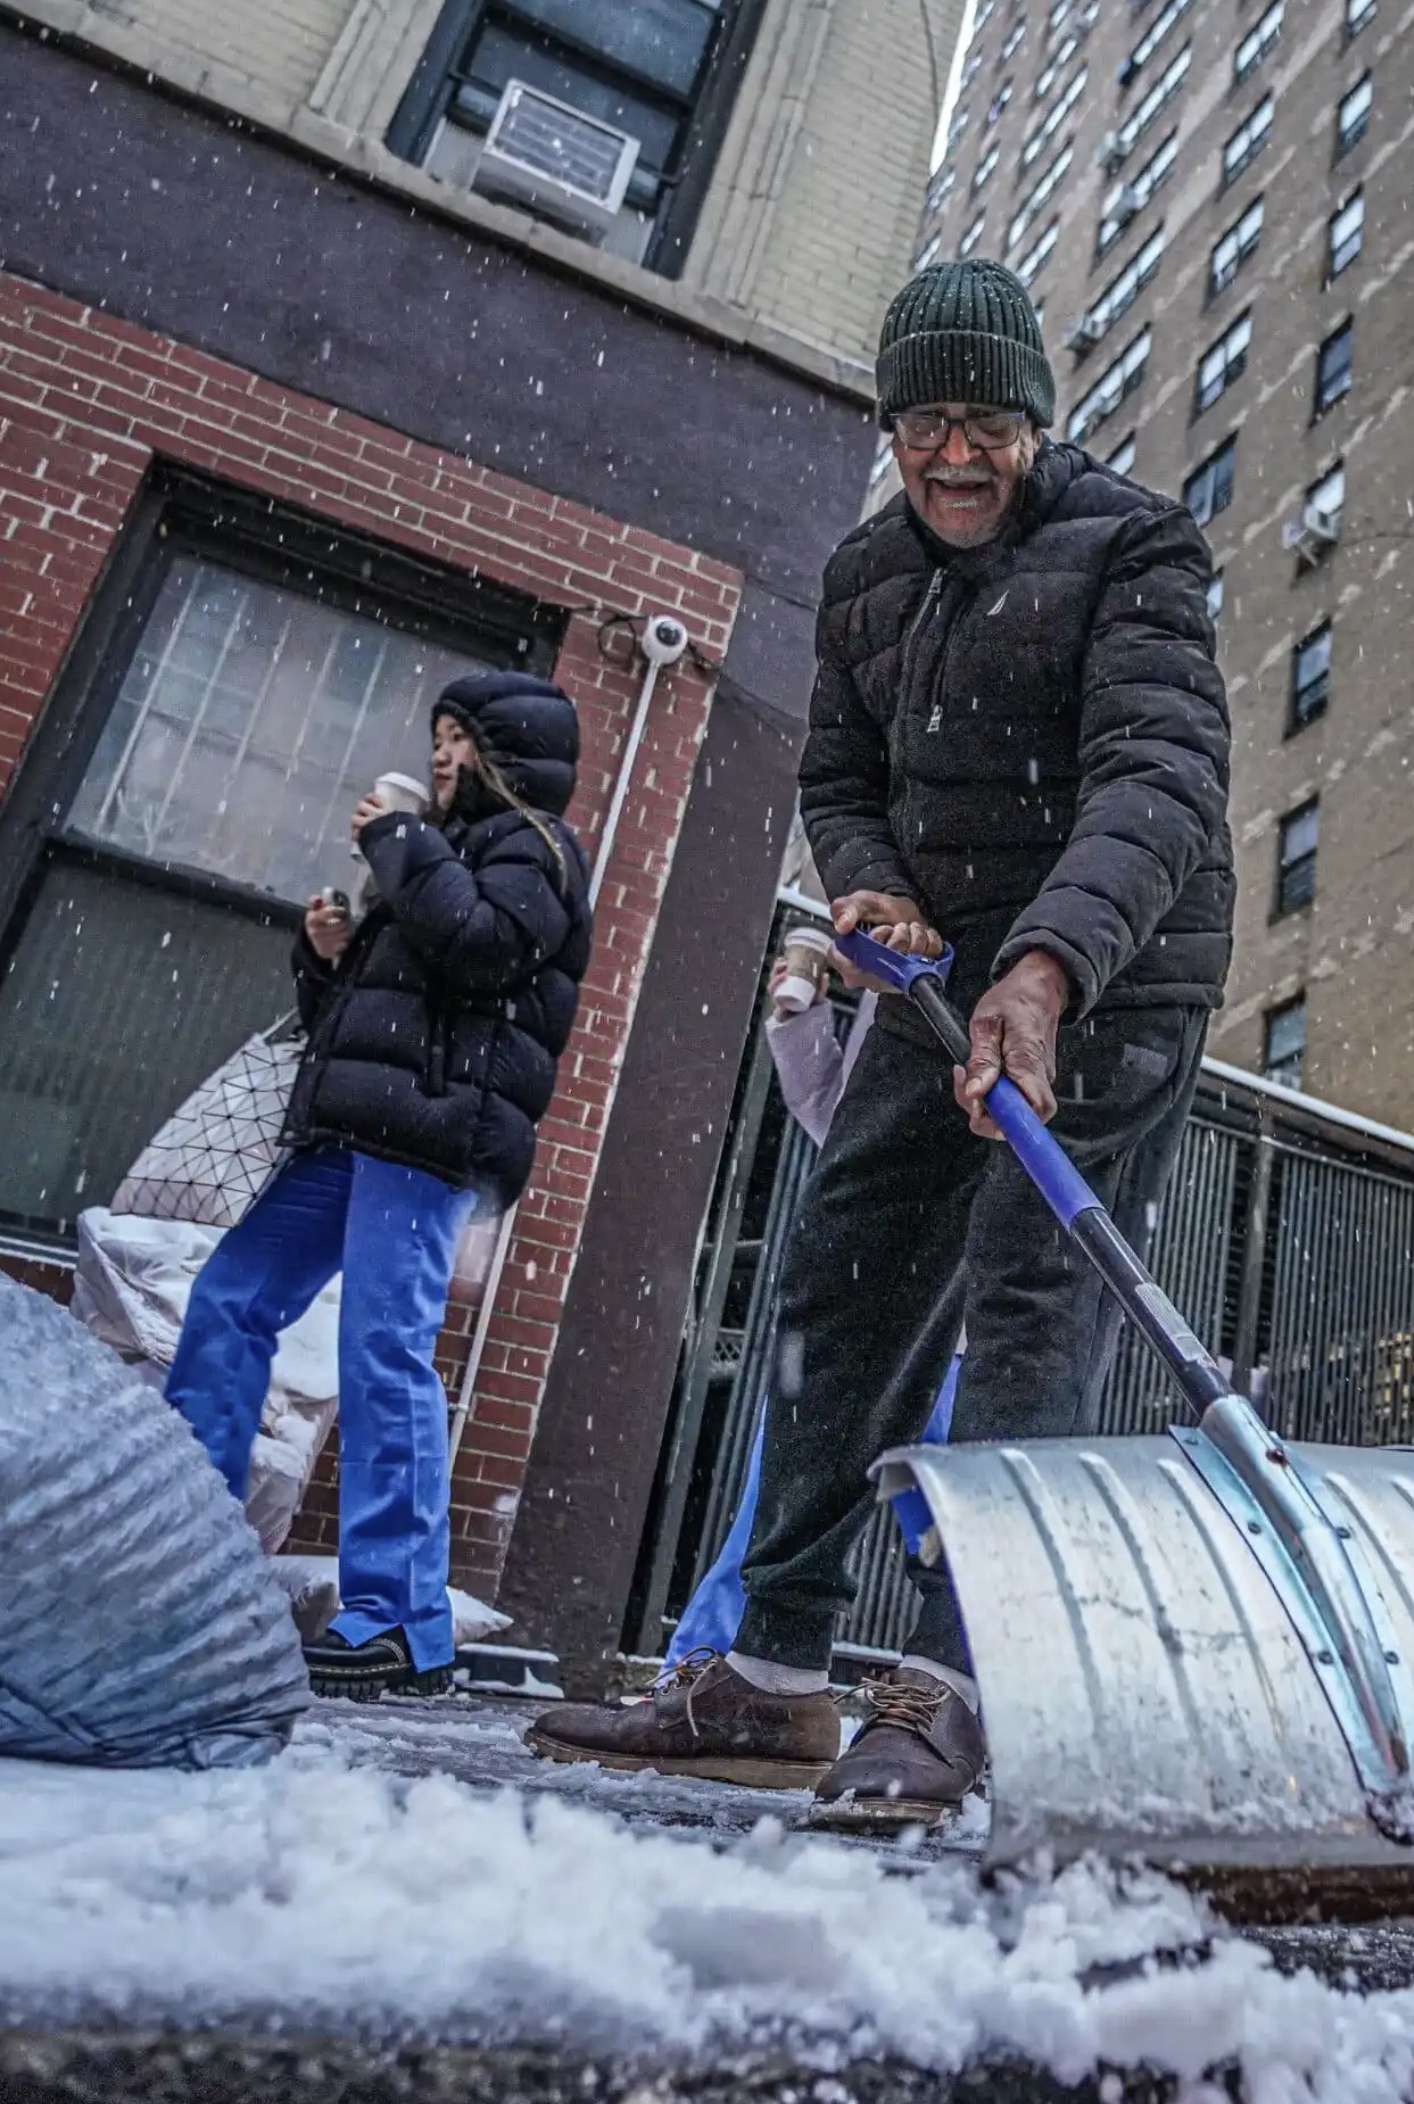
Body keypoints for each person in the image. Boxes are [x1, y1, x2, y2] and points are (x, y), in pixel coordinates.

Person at [527, 257, 1231, 1824]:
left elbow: (1162, 779)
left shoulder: (1137, 547)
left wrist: (1047, 968)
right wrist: (873, 891)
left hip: (1114, 973)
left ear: (1038, 423)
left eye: (985, 419)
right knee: (845, 1279)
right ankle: (770, 1677)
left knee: (1032, 1302)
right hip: (928, 980)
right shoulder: (860, 578)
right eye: (922, 421)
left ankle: (956, 1688)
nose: (954, 454)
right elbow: (840, 778)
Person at [164, 671, 592, 1699]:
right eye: (436, 737)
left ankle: (400, 1618)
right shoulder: (443, 854)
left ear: (505, 751)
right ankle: (189, 1554)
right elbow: (374, 1015)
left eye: (459, 738)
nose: (440, 755)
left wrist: (400, 840)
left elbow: (481, 952)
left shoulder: (533, 849)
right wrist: (326, 961)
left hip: (430, 1138)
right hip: (350, 1133)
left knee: (383, 1349)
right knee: (230, 1298)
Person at [651, 944, 958, 1673]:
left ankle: (986, 1692)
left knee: (954, 1531)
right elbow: (840, 1118)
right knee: (785, 1495)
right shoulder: (883, 995)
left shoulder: (963, 941)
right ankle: (704, 1665)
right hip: (865, 1291)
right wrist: (802, 1012)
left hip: (941, 1301)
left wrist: (908, 980)